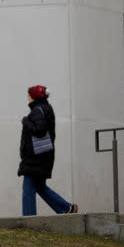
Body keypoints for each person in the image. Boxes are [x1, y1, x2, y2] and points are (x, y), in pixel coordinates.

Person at [18, 85, 78, 216]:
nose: (27, 98)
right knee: (40, 187)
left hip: (35, 158)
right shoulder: (46, 109)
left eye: (29, 95)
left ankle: (29, 220)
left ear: (34, 97)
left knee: (28, 190)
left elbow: (39, 130)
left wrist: (25, 121)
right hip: (43, 157)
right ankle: (66, 208)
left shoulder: (37, 111)